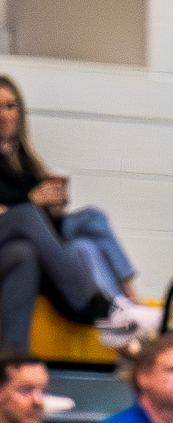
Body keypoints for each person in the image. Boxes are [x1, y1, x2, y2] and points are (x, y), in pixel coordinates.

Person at [0, 76, 155, 349]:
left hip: (25, 244)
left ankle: (130, 302)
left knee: (91, 218)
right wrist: (31, 200)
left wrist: (54, 206)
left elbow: (38, 220)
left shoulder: (22, 159)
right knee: (26, 216)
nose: (5, 115)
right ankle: (103, 310)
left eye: (11, 107)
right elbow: (14, 214)